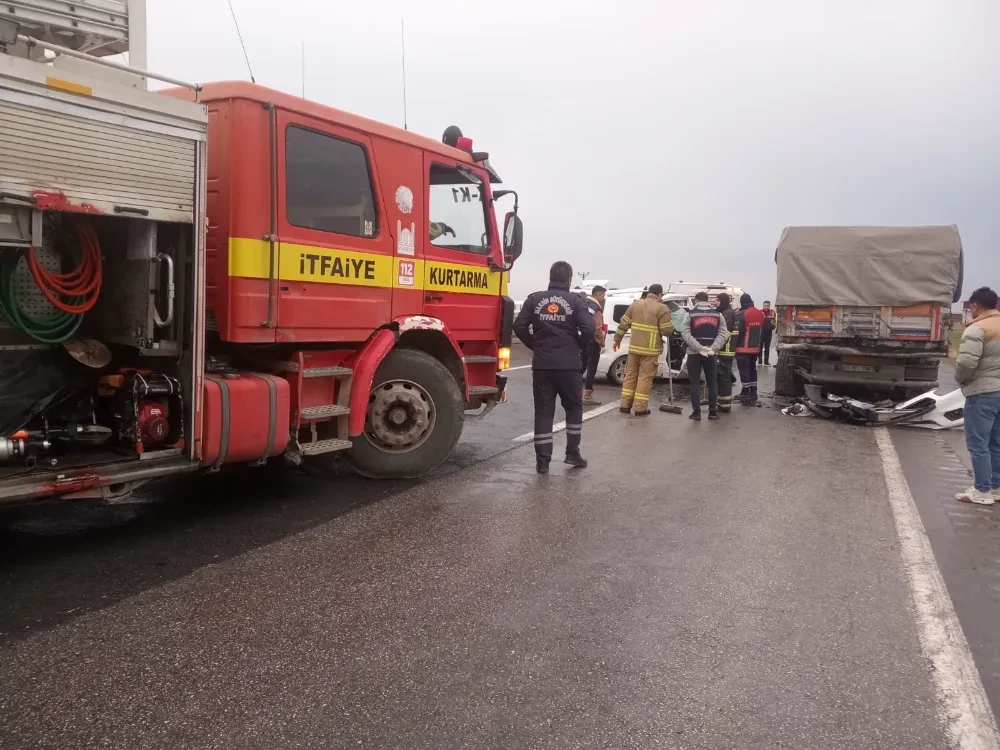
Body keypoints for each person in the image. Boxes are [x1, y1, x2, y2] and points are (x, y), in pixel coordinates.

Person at [513, 261, 595, 474]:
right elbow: (588, 328)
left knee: (543, 412)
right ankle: (572, 453)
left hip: (543, 365)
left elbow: (519, 325)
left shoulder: (534, 299)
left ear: (550, 277)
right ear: (568, 279)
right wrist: (578, 345)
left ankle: (542, 462)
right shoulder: (576, 301)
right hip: (569, 365)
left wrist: (535, 344)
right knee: (574, 408)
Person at [954, 287, 1000, 505]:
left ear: (975, 305)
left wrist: (961, 380)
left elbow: (966, 363)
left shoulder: (977, 328)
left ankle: (982, 491)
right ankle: (996, 487)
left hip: (983, 393)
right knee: (996, 443)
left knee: (978, 443)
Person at [612, 284, 674, 416]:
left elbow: (623, 324)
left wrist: (617, 340)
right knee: (644, 378)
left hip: (634, 348)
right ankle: (640, 408)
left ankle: (625, 405)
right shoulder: (662, 308)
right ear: (659, 294)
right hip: (650, 351)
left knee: (630, 376)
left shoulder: (635, 305)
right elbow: (666, 331)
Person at [679, 292, 728, 420]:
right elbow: (723, 333)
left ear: (696, 301)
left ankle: (696, 413)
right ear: (708, 301)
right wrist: (713, 348)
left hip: (694, 353)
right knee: (712, 382)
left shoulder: (690, 314)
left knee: (694, 383)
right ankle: (712, 412)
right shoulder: (718, 315)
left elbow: (685, 333)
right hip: (711, 354)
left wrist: (699, 348)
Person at [734, 293, 765, 405]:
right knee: (753, 369)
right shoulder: (760, 313)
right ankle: (753, 391)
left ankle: (745, 391)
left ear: (742, 302)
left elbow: (737, 332)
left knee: (744, 370)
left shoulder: (741, 314)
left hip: (743, 348)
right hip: (755, 348)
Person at [581, 285, 608, 405]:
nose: (603, 298)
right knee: (591, 369)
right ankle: (587, 395)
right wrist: (601, 343)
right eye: (603, 295)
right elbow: (597, 328)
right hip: (593, 342)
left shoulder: (584, 304)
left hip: (583, 340)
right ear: (598, 294)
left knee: (581, 367)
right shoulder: (596, 308)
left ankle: (573, 390)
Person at [715, 293, 737, 413]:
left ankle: (724, 405)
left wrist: (716, 347)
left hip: (725, 350)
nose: (715, 303)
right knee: (723, 377)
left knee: (723, 378)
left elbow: (725, 333)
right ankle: (722, 402)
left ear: (722, 301)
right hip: (726, 349)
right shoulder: (728, 312)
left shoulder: (727, 314)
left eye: (717, 300)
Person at [759, 300, 776, 366]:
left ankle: (766, 361)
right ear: (763, 305)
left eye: (767, 306)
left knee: (767, 347)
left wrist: (773, 327)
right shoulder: (760, 312)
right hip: (761, 332)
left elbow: (774, 321)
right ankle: (760, 360)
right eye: (765, 305)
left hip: (769, 332)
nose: (766, 307)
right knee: (760, 347)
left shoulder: (772, 312)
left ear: (769, 306)